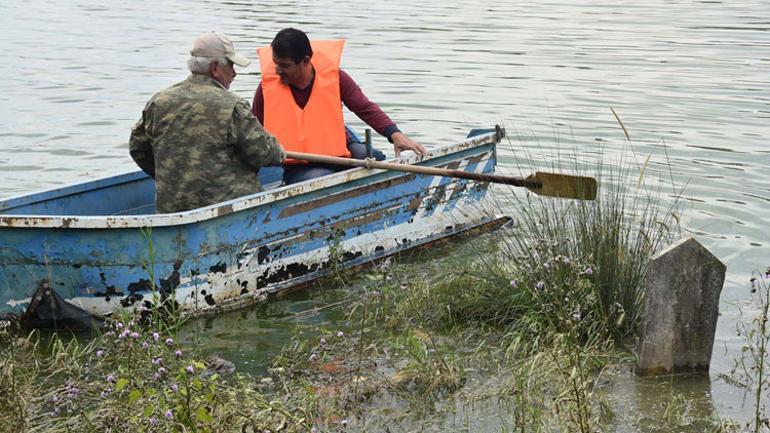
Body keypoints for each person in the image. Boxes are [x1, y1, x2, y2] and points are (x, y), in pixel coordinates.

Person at [130, 32, 284, 213]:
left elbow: (138, 148)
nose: (234, 73)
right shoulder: (232, 106)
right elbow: (268, 154)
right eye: (231, 65)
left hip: (171, 210)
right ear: (215, 68)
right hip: (227, 211)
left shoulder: (159, 102)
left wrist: (171, 176)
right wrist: (279, 150)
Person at [253, 28, 427, 184]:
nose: (277, 71)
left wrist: (395, 134)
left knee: (375, 158)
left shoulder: (336, 78)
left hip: (340, 151)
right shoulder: (267, 89)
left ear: (306, 61)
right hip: (300, 164)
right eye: (276, 63)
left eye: (285, 65)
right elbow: (252, 132)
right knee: (321, 178)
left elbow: (364, 107)